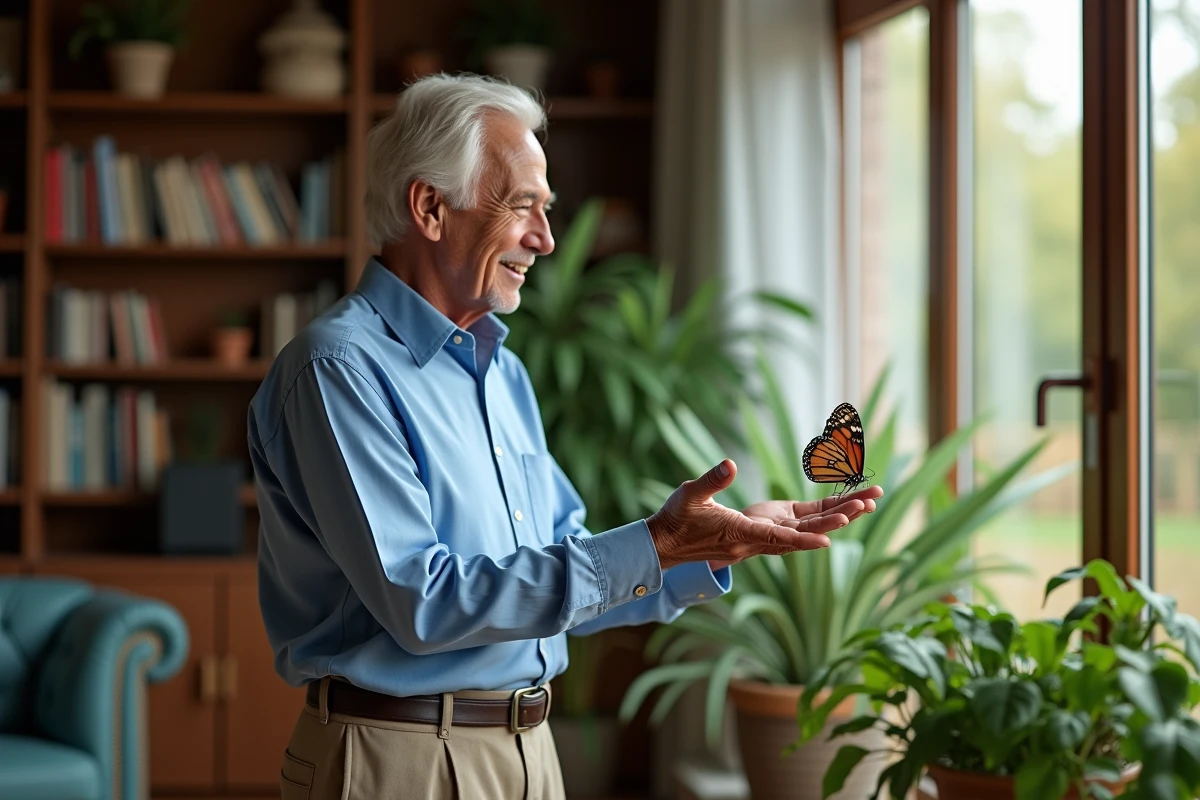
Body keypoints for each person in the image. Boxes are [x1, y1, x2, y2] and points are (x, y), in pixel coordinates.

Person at [248, 73, 883, 800]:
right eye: (523, 206)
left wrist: (703, 546)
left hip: (530, 755)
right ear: (429, 207)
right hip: (401, 760)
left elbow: (567, 573)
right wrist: (654, 542)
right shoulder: (338, 370)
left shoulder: (504, 372)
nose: (546, 239)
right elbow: (423, 603)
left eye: (544, 211)